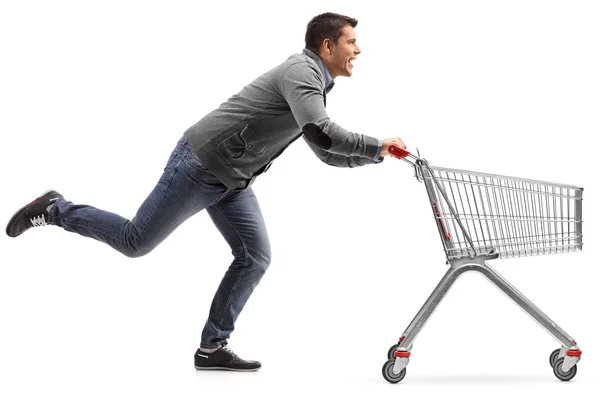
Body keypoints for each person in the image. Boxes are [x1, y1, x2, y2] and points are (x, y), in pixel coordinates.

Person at [5, 12, 406, 372]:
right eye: (352, 41)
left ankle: (212, 348)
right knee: (134, 241)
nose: (359, 49)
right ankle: (57, 208)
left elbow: (324, 150)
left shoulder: (315, 83)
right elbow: (324, 133)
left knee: (254, 257)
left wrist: (375, 156)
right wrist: (374, 144)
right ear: (327, 45)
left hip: (233, 177)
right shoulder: (302, 72)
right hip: (201, 163)